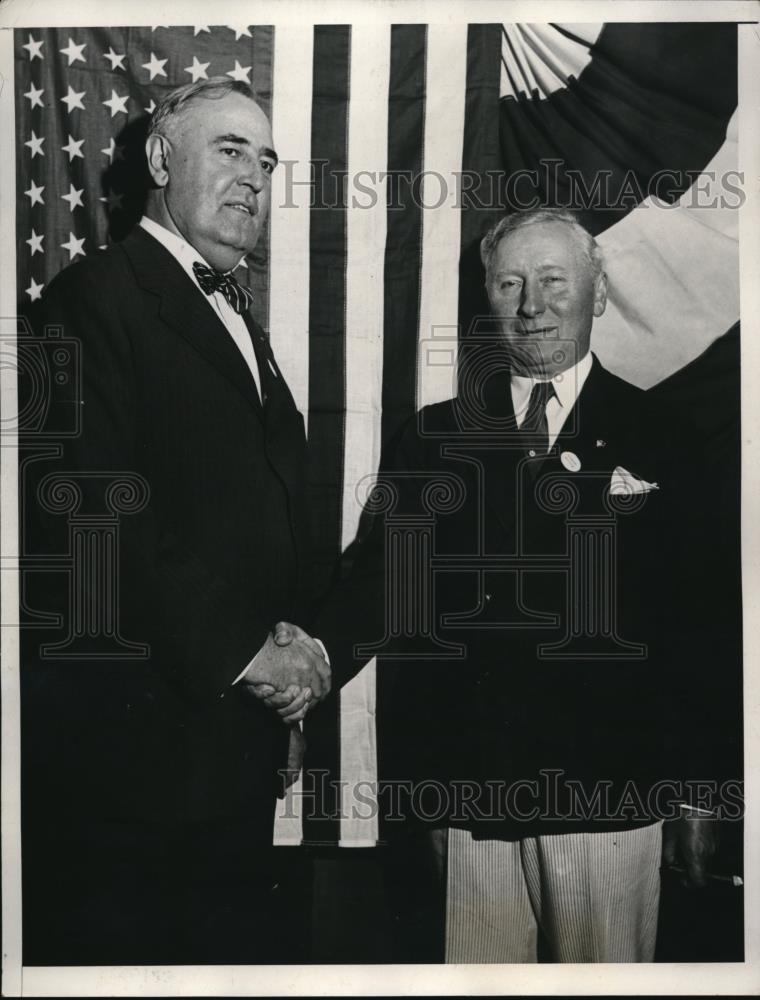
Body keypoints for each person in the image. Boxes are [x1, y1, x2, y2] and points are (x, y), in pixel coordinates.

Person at [288, 208, 737, 963]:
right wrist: (317, 657)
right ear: (489, 298)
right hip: (471, 796)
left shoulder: (668, 437)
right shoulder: (432, 439)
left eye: (554, 281)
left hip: (612, 796)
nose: (532, 304)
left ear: (597, 294)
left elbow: (707, 626)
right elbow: (382, 585)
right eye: (510, 282)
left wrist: (703, 792)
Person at [22, 78, 329, 964]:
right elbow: (94, 518)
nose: (253, 180)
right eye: (229, 150)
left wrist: (293, 644)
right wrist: (252, 650)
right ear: (160, 160)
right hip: (136, 763)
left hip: (230, 746)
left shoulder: (234, 314)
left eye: (265, 163)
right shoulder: (93, 300)